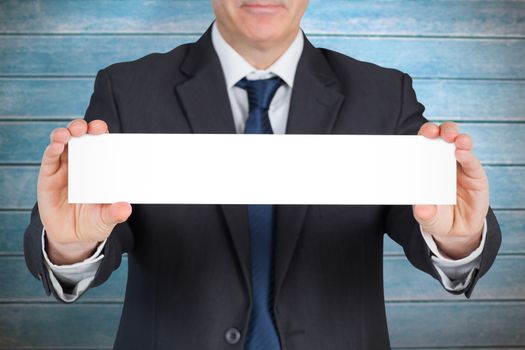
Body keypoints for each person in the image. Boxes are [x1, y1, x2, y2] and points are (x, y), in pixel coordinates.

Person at [24, 0, 501, 349]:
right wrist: (71, 247)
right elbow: (85, 226)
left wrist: (458, 242)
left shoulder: (384, 95)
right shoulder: (127, 89)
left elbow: (430, 223)